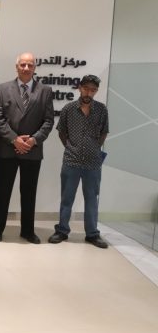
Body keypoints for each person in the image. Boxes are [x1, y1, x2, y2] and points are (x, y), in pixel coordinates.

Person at [0, 52, 54, 244]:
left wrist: (33, 140)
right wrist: (14, 139)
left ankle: (27, 231)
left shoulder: (45, 90)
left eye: (30, 65)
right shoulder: (2, 89)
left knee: (29, 193)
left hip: (32, 150)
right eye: (23, 64)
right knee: (3, 192)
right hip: (7, 149)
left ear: (35, 67)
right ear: (16, 66)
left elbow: (48, 121)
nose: (26, 68)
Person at [48, 75, 109, 248]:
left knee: (91, 199)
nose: (89, 93)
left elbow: (104, 132)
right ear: (80, 88)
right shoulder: (68, 109)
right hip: (71, 161)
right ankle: (62, 231)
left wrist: (94, 148)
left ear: (96, 91)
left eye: (93, 90)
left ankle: (92, 234)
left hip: (93, 163)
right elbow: (61, 132)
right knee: (66, 198)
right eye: (86, 88)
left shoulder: (101, 110)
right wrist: (71, 147)